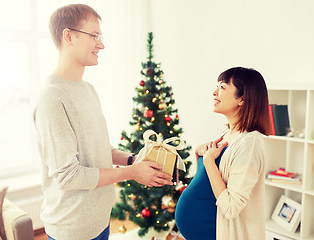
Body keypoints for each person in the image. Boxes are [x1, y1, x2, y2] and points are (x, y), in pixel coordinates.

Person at [33, 4, 173, 240]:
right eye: (94, 36)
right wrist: (132, 172)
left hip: (99, 220)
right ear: (69, 36)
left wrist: (133, 160)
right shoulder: (52, 97)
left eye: (101, 36)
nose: (101, 45)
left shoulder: (88, 89)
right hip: (73, 230)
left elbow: (98, 150)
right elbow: (69, 176)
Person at [175, 67, 271, 240]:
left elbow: (231, 207)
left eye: (222, 87)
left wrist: (209, 162)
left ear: (242, 99)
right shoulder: (227, 134)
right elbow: (209, 174)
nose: (214, 92)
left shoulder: (251, 142)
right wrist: (201, 151)